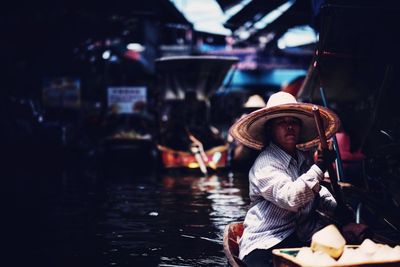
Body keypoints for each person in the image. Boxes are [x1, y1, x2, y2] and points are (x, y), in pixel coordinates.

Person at [229, 91, 340, 267]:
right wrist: (319, 167)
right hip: (266, 241)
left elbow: (319, 190)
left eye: (293, 122)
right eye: (282, 122)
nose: (289, 127)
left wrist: (337, 208)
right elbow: (292, 198)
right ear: (270, 129)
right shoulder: (264, 164)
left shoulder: (303, 158)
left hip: (301, 236)